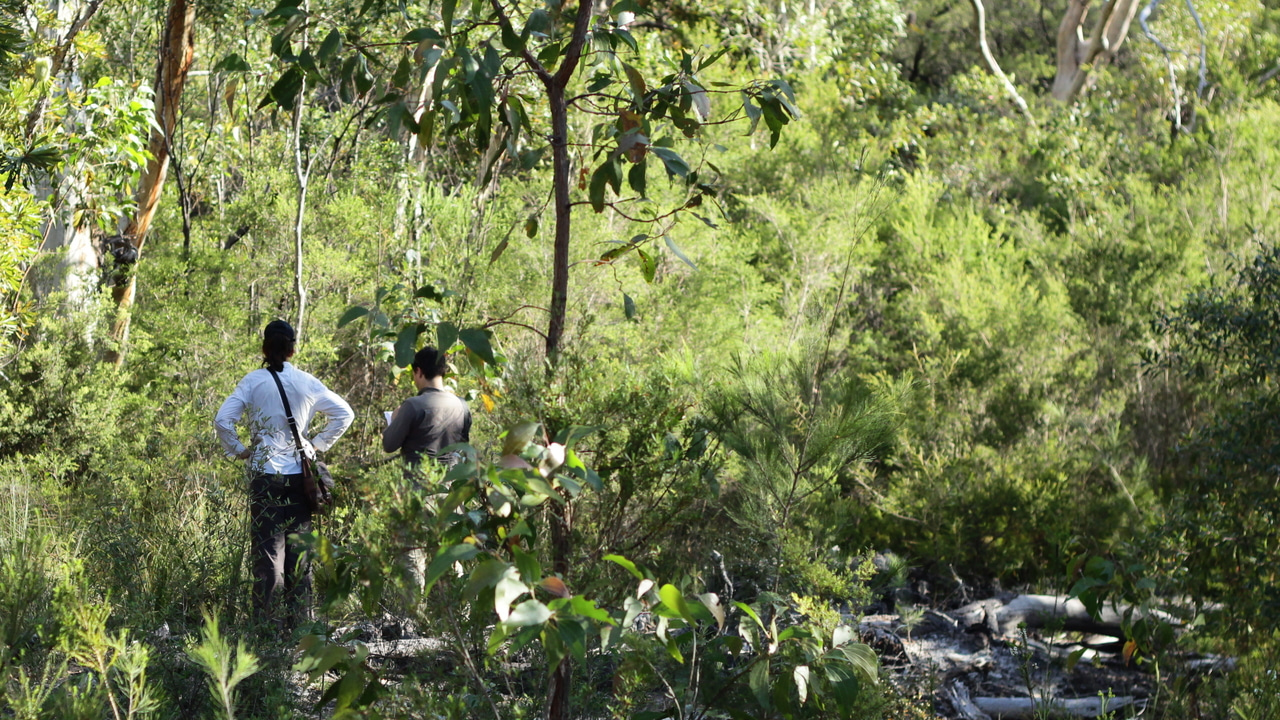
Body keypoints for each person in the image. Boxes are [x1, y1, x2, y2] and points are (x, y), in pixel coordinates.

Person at [213, 320, 354, 623]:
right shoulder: (306, 381)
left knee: (268, 555)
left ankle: (267, 630)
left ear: (264, 348)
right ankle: (300, 628)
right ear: (292, 350)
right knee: (299, 553)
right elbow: (345, 413)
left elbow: (223, 420)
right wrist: (314, 445)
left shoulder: (252, 382)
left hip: (265, 475)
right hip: (301, 477)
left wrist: (240, 450)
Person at [382, 346, 471, 467]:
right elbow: (464, 447)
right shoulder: (462, 405)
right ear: (443, 371)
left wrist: (394, 419)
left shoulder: (412, 405)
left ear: (418, 371)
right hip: (452, 476)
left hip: (419, 476)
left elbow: (389, 445)